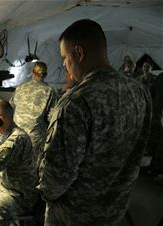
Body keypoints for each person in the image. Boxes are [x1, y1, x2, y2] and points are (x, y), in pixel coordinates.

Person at [38, 19, 151, 226]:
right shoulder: (139, 92)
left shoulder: (75, 102)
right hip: (115, 211)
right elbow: (140, 148)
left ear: (79, 53)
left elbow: (55, 179)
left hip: (73, 217)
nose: (63, 64)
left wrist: (43, 194)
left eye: (64, 57)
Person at [9, 62, 56, 168]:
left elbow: (12, 106)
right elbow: (51, 117)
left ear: (32, 73)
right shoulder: (49, 91)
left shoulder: (20, 88)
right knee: (32, 167)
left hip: (17, 134)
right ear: (46, 74)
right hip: (35, 138)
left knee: (16, 163)